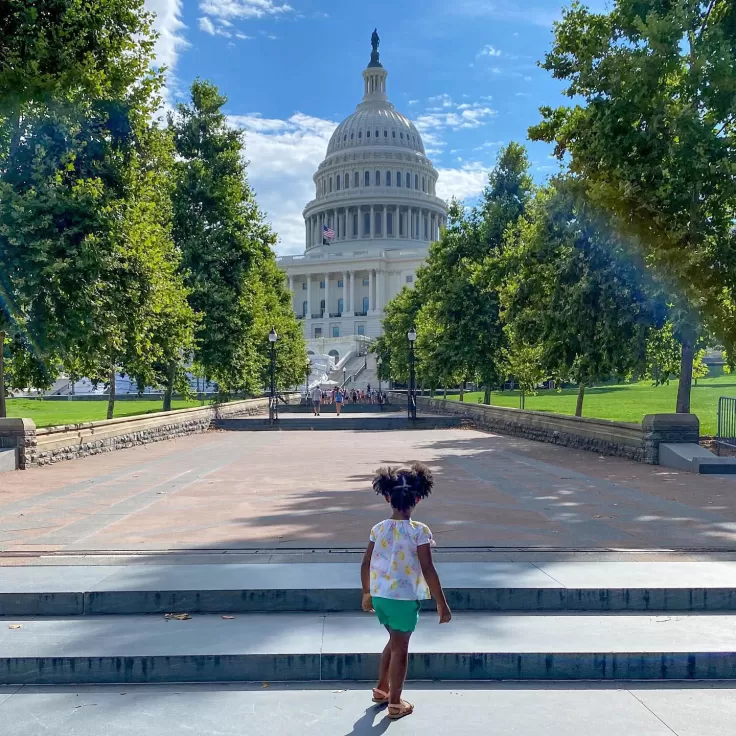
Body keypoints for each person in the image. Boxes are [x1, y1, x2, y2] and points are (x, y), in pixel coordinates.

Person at [360, 464, 451, 720]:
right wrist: (441, 603)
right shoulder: (419, 531)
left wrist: (366, 593)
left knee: (394, 641)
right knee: (401, 648)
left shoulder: (378, 529)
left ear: (387, 496)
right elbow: (428, 568)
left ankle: (382, 689)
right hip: (403, 599)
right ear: (418, 498)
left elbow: (366, 562)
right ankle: (396, 703)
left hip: (380, 597)